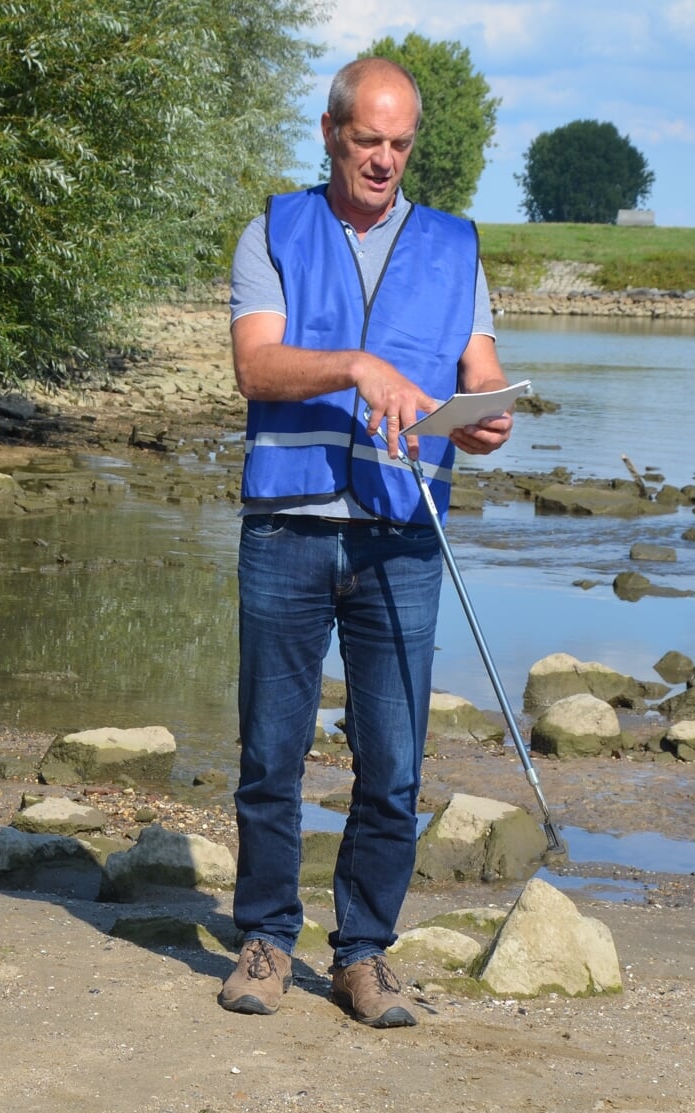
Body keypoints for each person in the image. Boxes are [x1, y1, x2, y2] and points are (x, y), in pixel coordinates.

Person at [217, 56, 512, 1028]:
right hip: (288, 528)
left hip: (403, 537)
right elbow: (256, 368)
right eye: (368, 139)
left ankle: (363, 953)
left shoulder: (455, 246)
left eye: (401, 143)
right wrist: (355, 364)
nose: (385, 159)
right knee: (272, 753)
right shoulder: (274, 231)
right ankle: (263, 936)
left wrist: (484, 422)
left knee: (392, 763)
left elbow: (482, 370)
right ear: (331, 133)